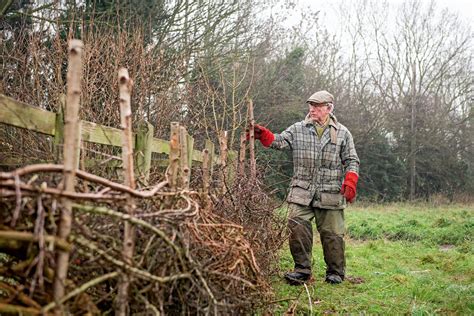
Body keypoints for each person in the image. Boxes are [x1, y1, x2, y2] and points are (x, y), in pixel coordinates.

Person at [252, 90, 360, 285]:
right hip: (302, 190)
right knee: (296, 226)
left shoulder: (343, 133)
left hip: (330, 192)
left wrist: (350, 180)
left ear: (329, 108)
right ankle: (302, 270)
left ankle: (335, 272)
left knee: (332, 234)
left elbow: (352, 160)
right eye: (311, 106)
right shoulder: (298, 129)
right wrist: (265, 136)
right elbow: (280, 141)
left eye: (317, 107)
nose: (313, 110)